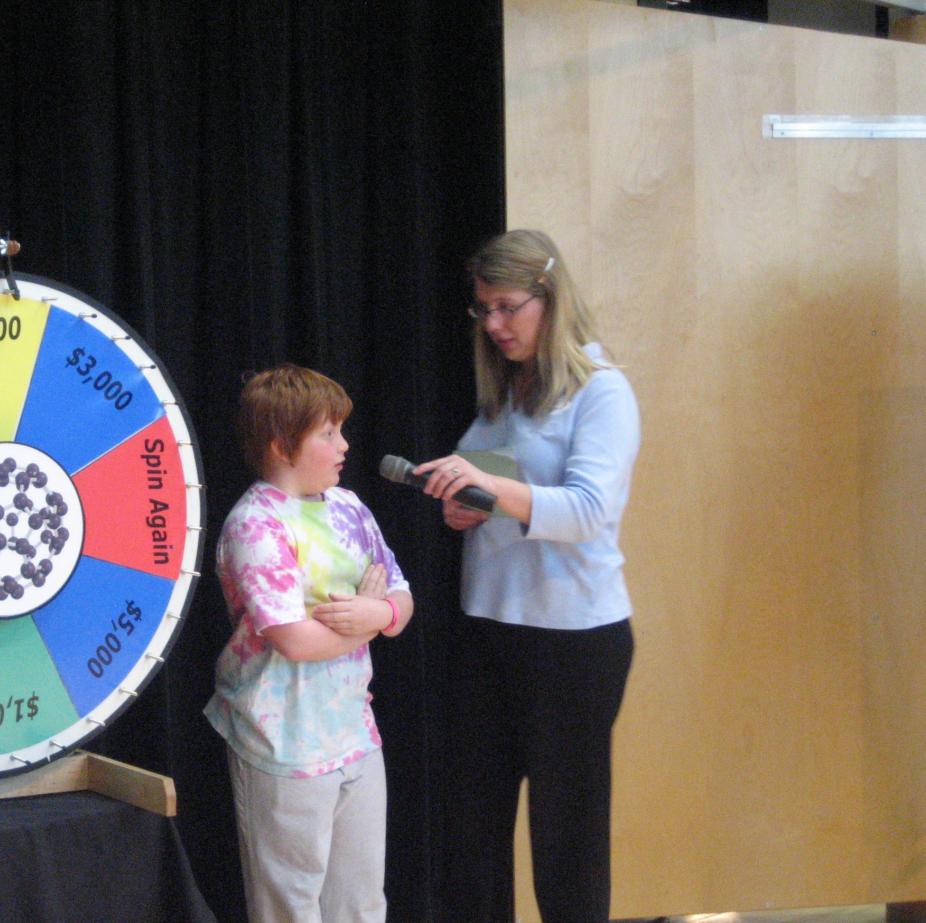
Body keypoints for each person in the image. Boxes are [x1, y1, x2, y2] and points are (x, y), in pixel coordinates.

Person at [414, 229, 640, 923]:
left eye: (508, 306)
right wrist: (466, 507)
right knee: (471, 829)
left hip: (573, 638)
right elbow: (500, 496)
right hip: (490, 630)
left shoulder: (602, 392)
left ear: (551, 299)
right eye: (483, 309)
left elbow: (588, 510)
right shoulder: (504, 394)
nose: (494, 324)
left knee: (565, 837)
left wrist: (488, 485)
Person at [204, 363, 415, 923]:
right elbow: (293, 641)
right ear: (281, 444)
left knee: (362, 903)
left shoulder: (349, 507)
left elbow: (402, 597)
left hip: (354, 734)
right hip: (285, 744)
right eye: (328, 433)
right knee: (291, 908)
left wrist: (380, 609)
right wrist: (372, 620)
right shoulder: (255, 524)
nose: (344, 445)